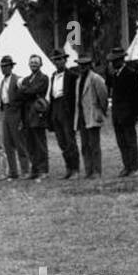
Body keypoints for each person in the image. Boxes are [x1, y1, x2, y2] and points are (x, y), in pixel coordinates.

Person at [108, 48, 138, 177]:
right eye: (112, 61)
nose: (112, 63)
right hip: (117, 115)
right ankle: (127, 166)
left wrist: (134, 114)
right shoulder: (114, 75)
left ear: (121, 60)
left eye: (115, 60)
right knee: (121, 142)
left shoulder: (131, 74)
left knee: (131, 142)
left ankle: (134, 167)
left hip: (128, 115)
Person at [46, 49, 80, 180]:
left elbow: (74, 96)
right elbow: (52, 95)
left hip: (66, 110)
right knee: (61, 142)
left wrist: (72, 113)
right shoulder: (53, 76)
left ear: (65, 60)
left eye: (60, 59)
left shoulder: (72, 75)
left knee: (70, 140)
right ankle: (68, 168)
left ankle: (75, 169)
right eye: (56, 60)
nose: (58, 62)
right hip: (56, 108)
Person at [74, 54, 109, 178]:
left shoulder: (96, 78)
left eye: (84, 65)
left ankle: (97, 171)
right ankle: (88, 170)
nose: (82, 67)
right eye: (80, 65)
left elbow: (103, 96)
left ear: (89, 65)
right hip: (82, 116)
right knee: (84, 145)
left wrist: (101, 111)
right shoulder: (78, 80)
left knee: (94, 145)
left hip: (93, 115)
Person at [18, 54, 50, 180]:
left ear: (41, 64)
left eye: (36, 62)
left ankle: (44, 170)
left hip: (38, 114)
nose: (33, 64)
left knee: (40, 143)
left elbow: (34, 91)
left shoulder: (44, 78)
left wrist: (26, 90)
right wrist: (27, 90)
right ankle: (34, 169)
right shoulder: (26, 79)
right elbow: (21, 95)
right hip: (26, 116)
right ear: (28, 64)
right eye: (31, 62)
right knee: (30, 144)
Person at [0, 56, 20, 180]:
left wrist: (19, 115)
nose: (4, 69)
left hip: (14, 111)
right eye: (2, 67)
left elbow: (20, 98)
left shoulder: (16, 80)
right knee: (7, 143)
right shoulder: (2, 82)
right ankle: (13, 171)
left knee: (18, 142)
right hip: (5, 111)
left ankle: (25, 169)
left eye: (6, 66)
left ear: (11, 67)